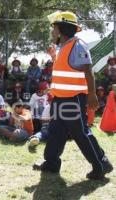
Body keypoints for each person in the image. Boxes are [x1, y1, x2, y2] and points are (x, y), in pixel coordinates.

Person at [33, 11, 113, 180]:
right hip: (60, 99)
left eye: (53, 27)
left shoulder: (78, 45)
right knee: (56, 131)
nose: (52, 31)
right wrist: (53, 56)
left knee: (81, 133)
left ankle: (102, 164)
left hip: (74, 99)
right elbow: (65, 69)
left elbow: (88, 71)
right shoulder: (63, 47)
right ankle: (51, 163)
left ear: (61, 28)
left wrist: (92, 95)